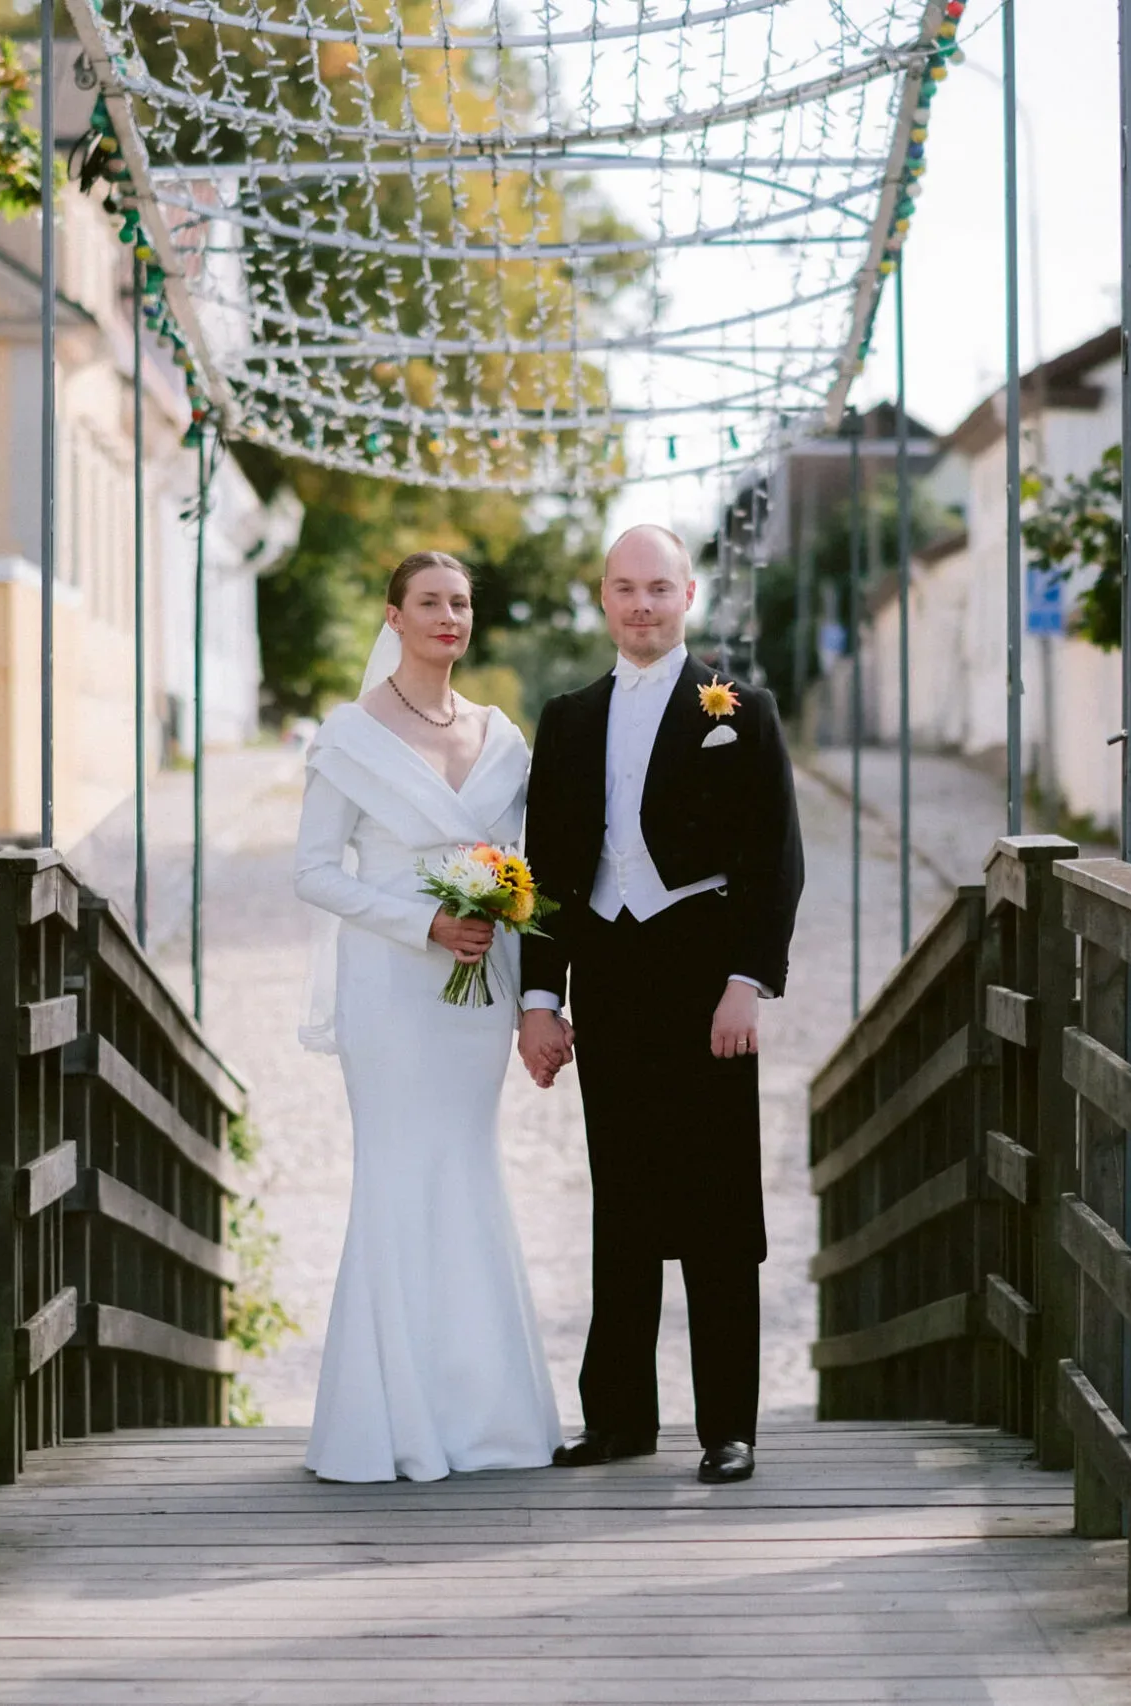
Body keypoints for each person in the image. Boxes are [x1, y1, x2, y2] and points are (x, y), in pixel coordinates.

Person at [516, 525, 804, 1485]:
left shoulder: (740, 711)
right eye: (624, 588)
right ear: (602, 598)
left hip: (705, 982)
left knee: (721, 1209)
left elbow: (774, 861)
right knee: (623, 1203)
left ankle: (729, 1426)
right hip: (610, 977)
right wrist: (537, 1000)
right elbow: (547, 873)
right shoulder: (566, 718)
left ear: (689, 596)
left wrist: (745, 983)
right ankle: (620, 1421)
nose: (642, 605)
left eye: (659, 589)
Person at [292, 551, 561, 1482]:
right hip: (392, 995)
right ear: (393, 617)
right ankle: (390, 1420)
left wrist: (533, 993)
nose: (449, 617)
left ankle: (485, 1417)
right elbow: (314, 870)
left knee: (467, 1170)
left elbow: (531, 860)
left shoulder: (502, 738)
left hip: (479, 996)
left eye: (461, 604)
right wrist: (422, 923)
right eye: (430, 603)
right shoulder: (350, 735)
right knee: (398, 1176)